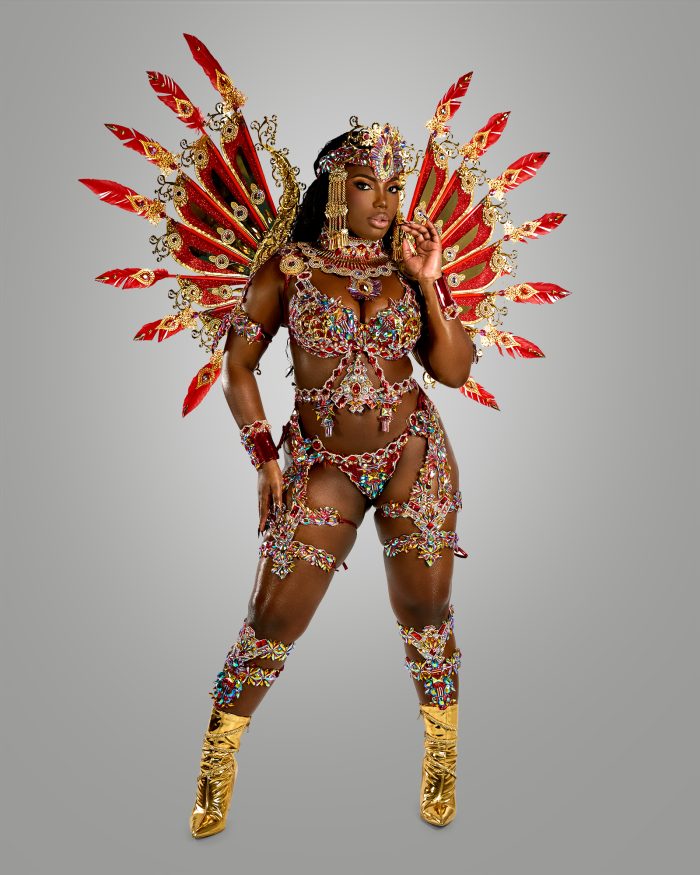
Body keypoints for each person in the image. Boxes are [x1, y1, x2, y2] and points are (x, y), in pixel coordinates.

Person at [189, 122, 477, 838]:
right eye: (366, 185)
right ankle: (216, 761)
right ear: (333, 191)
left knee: (426, 611)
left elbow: (453, 371)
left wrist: (429, 281)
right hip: (325, 465)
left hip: (414, 454)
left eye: (393, 187)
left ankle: (441, 756)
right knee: (272, 619)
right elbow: (238, 366)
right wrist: (264, 457)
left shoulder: (406, 266)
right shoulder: (288, 269)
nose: (384, 202)